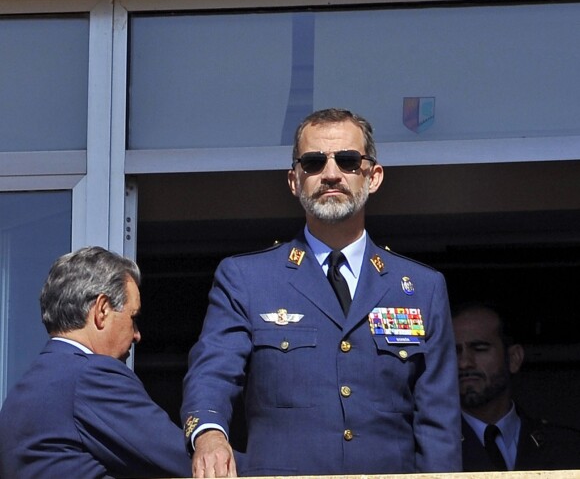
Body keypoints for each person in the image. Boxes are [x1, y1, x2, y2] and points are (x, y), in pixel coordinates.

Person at [181, 107, 462, 477]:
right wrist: (209, 435)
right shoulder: (247, 278)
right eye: (313, 163)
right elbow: (213, 372)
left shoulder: (421, 287)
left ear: (373, 177)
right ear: (294, 180)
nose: (331, 174)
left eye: (347, 161)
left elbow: (439, 423)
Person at [0, 246, 192, 479]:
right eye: (133, 318)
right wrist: (247, 466)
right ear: (101, 311)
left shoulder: (25, 391)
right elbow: (182, 459)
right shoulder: (90, 376)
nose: (137, 335)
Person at [453, 300, 580, 471]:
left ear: (514, 358)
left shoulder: (566, 446)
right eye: (454, 351)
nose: (464, 363)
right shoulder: (425, 449)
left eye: (479, 348)